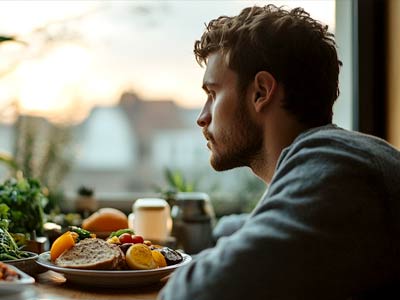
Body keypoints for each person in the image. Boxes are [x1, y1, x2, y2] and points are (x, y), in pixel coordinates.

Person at [159, 4, 400, 300]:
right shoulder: (351, 159)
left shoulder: (338, 169)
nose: (202, 117)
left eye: (213, 94)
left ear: (261, 91)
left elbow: (192, 294)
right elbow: (242, 231)